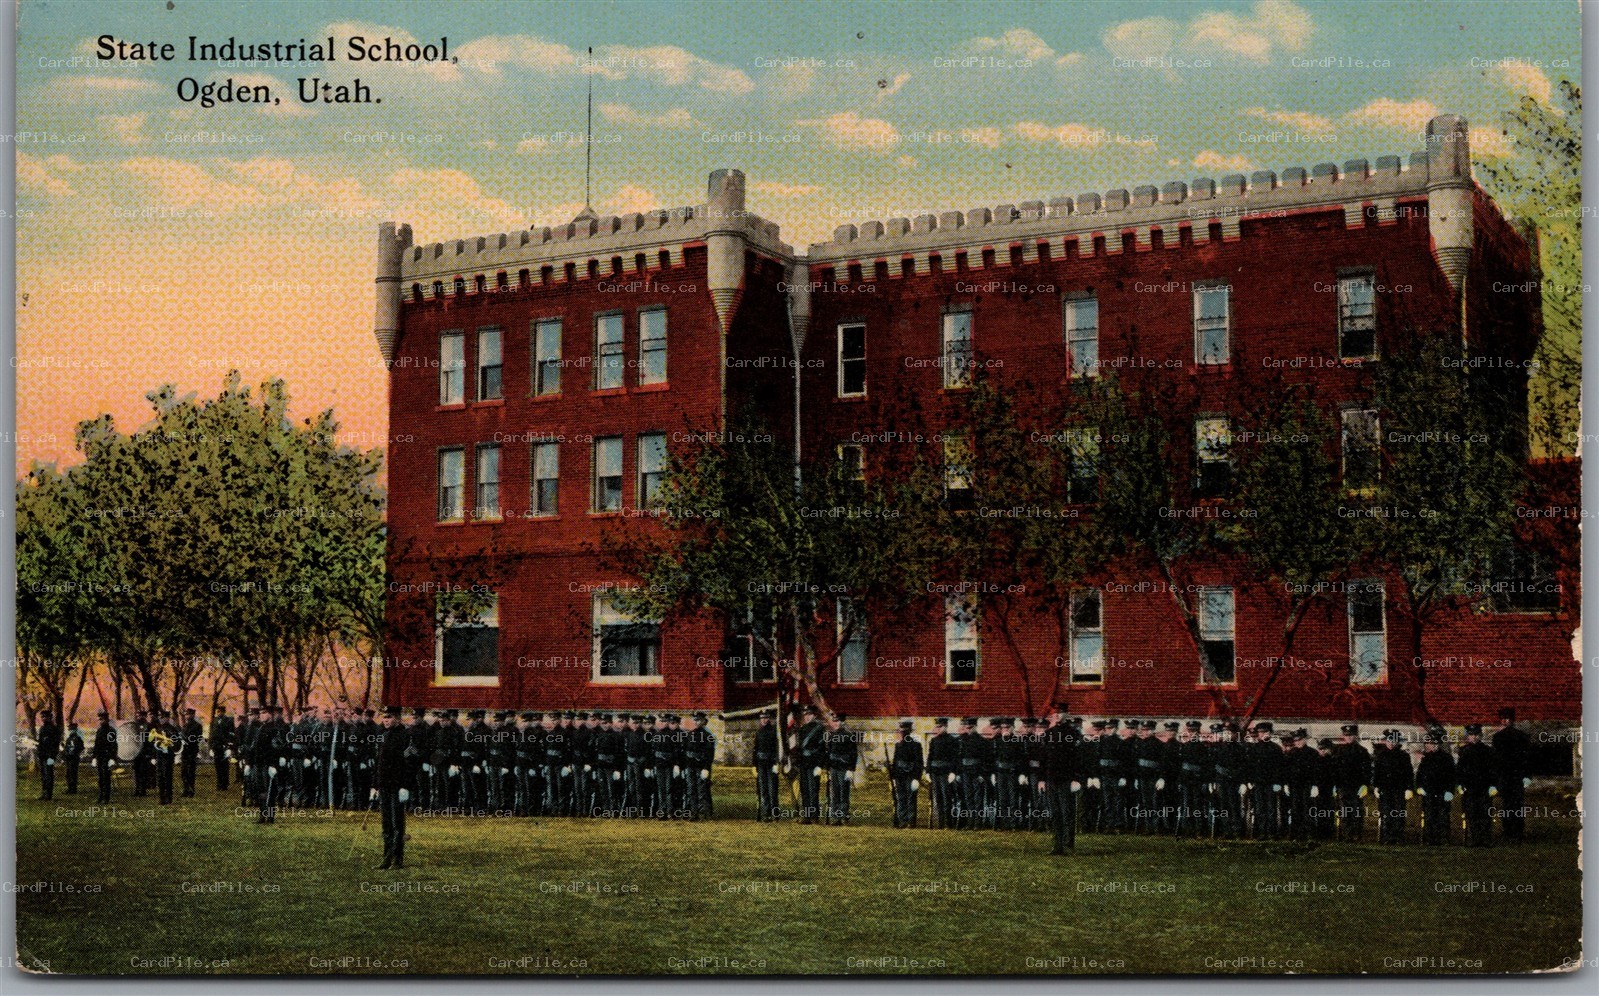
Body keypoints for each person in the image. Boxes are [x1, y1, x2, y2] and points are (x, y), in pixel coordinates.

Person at [372, 706, 413, 870]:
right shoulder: (383, 735)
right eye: (384, 717)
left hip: (397, 785)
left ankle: (397, 859)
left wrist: (405, 786)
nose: (386, 720)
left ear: (397, 718)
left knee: (398, 823)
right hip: (384, 785)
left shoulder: (405, 736)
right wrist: (375, 785)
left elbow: (409, 763)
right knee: (386, 823)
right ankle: (386, 858)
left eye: (389, 717)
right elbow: (379, 763)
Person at [1041, 708, 1080, 855]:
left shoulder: (1073, 734)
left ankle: (1068, 845)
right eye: (1054, 713)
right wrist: (1041, 779)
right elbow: (1043, 759)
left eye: (1060, 713)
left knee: (1067, 812)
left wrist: (1076, 778)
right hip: (1051, 779)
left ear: (1066, 715)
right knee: (1055, 813)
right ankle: (1057, 845)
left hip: (1066, 779)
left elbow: (1077, 759)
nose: (1056, 715)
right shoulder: (1048, 734)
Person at [1492, 707, 1532, 842]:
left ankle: (1518, 831)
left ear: (1512, 720)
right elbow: (1496, 759)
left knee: (1517, 804)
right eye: (1502, 719)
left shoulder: (1521, 737)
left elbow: (1526, 758)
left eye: (1507, 719)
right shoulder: (1497, 738)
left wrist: (1526, 776)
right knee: (1506, 804)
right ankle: (1508, 831)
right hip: (1505, 775)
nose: (1505, 721)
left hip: (1517, 775)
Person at [1456, 723, 1499, 847]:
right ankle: (1474, 838)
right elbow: (1460, 769)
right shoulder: (1464, 751)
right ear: (1467, 736)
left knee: (1485, 813)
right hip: (1469, 787)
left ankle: (1485, 838)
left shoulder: (1488, 751)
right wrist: (1460, 783)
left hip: (1484, 787)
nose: (1473, 737)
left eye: (1476, 735)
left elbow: (1493, 769)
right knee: (1471, 813)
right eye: (1470, 735)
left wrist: (1493, 785)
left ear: (1480, 736)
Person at [1415, 728, 1456, 846]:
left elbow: (1451, 776)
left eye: (1430, 743)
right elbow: (1420, 774)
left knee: (1443, 816)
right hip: (1429, 792)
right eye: (1426, 743)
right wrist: (1420, 786)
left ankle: (1443, 838)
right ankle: (1430, 838)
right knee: (1429, 816)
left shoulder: (1446, 758)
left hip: (1442, 791)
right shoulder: (1426, 758)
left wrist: (1450, 790)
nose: (1427, 746)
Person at [1373, 729, 1414, 845]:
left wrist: (1409, 788)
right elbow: (1377, 772)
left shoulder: (1403, 756)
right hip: (1385, 789)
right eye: (1389, 740)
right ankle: (1386, 837)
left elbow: (1408, 773)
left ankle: (1398, 837)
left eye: (1393, 740)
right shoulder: (1381, 756)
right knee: (1386, 813)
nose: (1391, 743)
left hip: (1399, 789)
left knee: (1399, 813)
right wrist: (1376, 786)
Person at [1331, 724, 1371, 842]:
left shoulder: (1362, 751)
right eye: (1346, 735)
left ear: (1355, 736)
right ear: (1343, 736)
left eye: (1351, 735)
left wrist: (1365, 784)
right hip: (1343, 786)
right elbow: (1334, 769)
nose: (1348, 738)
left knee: (1356, 811)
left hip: (1356, 786)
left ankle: (1356, 835)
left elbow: (1367, 770)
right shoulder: (1338, 750)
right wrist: (1335, 784)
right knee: (1344, 811)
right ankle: (1345, 835)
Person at [824, 712, 858, 825]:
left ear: (842, 722)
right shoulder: (831, 735)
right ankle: (836, 817)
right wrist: (827, 767)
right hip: (834, 767)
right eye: (834, 721)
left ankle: (844, 816)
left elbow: (853, 754)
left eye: (838, 721)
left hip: (844, 767)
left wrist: (851, 769)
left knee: (844, 792)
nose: (836, 723)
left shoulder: (849, 735)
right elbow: (828, 752)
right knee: (835, 792)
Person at [925, 717, 959, 830]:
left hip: (945, 773)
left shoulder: (952, 740)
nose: (938, 729)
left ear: (945, 726)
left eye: (940, 726)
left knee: (946, 798)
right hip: (935, 772)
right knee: (938, 798)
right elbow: (930, 757)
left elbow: (954, 758)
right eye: (937, 727)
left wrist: (953, 772)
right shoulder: (934, 741)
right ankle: (940, 823)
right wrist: (928, 771)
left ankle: (948, 823)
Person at [796, 706, 827, 825]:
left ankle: (814, 816)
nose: (807, 717)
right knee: (804, 790)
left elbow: (822, 748)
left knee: (813, 790)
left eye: (809, 714)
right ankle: (807, 816)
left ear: (814, 715)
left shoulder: (819, 729)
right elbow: (799, 748)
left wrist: (820, 765)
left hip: (814, 763)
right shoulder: (802, 729)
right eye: (805, 715)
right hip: (804, 763)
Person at [890, 720, 923, 828]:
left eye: (903, 732)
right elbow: (895, 762)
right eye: (900, 732)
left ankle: (910, 821)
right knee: (901, 798)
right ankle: (902, 820)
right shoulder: (898, 746)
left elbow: (919, 763)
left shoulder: (916, 745)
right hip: (900, 775)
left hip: (910, 775)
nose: (900, 734)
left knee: (910, 798)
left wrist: (916, 778)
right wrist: (893, 777)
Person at [684, 712, 716, 820]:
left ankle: (703, 813)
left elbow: (710, 754)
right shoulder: (689, 734)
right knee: (691, 789)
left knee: (701, 789)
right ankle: (694, 812)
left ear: (703, 721)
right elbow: (686, 751)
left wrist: (706, 768)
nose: (696, 722)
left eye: (698, 720)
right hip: (690, 765)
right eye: (694, 720)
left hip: (700, 766)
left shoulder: (707, 736)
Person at [753, 709, 780, 822]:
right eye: (762, 718)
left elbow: (777, 748)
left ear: (769, 719)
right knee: (763, 789)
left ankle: (775, 813)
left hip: (771, 763)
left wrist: (776, 763)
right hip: (761, 764)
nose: (764, 720)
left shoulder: (774, 731)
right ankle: (766, 813)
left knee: (772, 789)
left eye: (766, 718)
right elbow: (755, 749)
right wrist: (754, 765)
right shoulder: (758, 732)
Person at [153, 709, 180, 805]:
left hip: (168, 756)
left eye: (163, 717)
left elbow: (177, 743)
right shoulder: (158, 729)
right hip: (160, 755)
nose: (161, 719)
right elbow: (154, 742)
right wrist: (154, 756)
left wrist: (170, 744)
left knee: (167, 777)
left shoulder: (172, 729)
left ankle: (169, 797)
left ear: (167, 718)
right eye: (160, 717)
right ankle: (162, 798)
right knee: (160, 777)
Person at [92, 710, 119, 803]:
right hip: (99, 757)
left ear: (107, 720)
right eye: (99, 719)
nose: (100, 721)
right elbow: (96, 745)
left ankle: (106, 797)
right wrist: (94, 757)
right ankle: (101, 795)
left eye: (102, 719)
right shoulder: (99, 730)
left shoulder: (111, 731)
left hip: (107, 757)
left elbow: (113, 745)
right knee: (100, 778)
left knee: (106, 778)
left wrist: (112, 758)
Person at [208, 709, 236, 792]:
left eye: (220, 712)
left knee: (224, 766)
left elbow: (231, 733)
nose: (219, 713)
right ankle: (219, 783)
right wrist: (211, 747)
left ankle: (224, 784)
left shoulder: (228, 720)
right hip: (216, 746)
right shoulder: (215, 720)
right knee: (217, 766)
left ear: (224, 712)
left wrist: (229, 746)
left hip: (224, 745)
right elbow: (212, 734)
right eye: (218, 712)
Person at [180, 707, 204, 798]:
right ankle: (185, 789)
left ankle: (191, 790)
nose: (187, 716)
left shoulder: (197, 725)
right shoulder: (185, 725)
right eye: (186, 714)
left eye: (189, 714)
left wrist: (187, 740)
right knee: (184, 771)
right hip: (184, 751)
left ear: (193, 715)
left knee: (191, 771)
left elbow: (197, 738)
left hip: (191, 750)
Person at [63, 719, 84, 795]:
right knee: (68, 774)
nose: (70, 731)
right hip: (68, 758)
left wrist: (75, 753)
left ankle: (73, 789)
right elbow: (66, 748)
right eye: (69, 729)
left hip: (74, 758)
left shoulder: (78, 738)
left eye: (72, 729)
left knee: (73, 774)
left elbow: (81, 748)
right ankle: (69, 788)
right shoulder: (68, 739)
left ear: (75, 730)